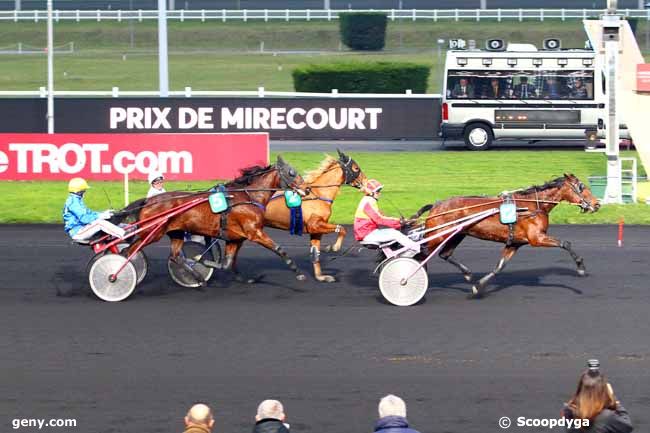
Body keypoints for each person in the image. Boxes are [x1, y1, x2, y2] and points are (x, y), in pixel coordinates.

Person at [561, 360, 634, 433]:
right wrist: (614, 398)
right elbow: (628, 427)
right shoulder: (608, 417)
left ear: (580, 389)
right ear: (603, 391)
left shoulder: (568, 411)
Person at [354, 179, 420, 253]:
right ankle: (417, 249)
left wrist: (399, 221)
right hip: (368, 234)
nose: (379, 193)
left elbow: (382, 216)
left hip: (368, 232)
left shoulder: (369, 200)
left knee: (394, 232)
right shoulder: (368, 202)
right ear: (371, 193)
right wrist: (399, 222)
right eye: (378, 191)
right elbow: (379, 219)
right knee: (396, 234)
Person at [63, 177, 125, 243]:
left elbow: (89, 213)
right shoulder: (73, 203)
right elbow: (84, 219)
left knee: (106, 221)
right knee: (99, 223)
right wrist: (100, 216)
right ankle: (123, 235)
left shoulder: (77, 200)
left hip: (83, 228)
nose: (85, 192)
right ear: (79, 191)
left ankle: (128, 229)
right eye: (84, 190)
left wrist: (102, 213)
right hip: (78, 232)